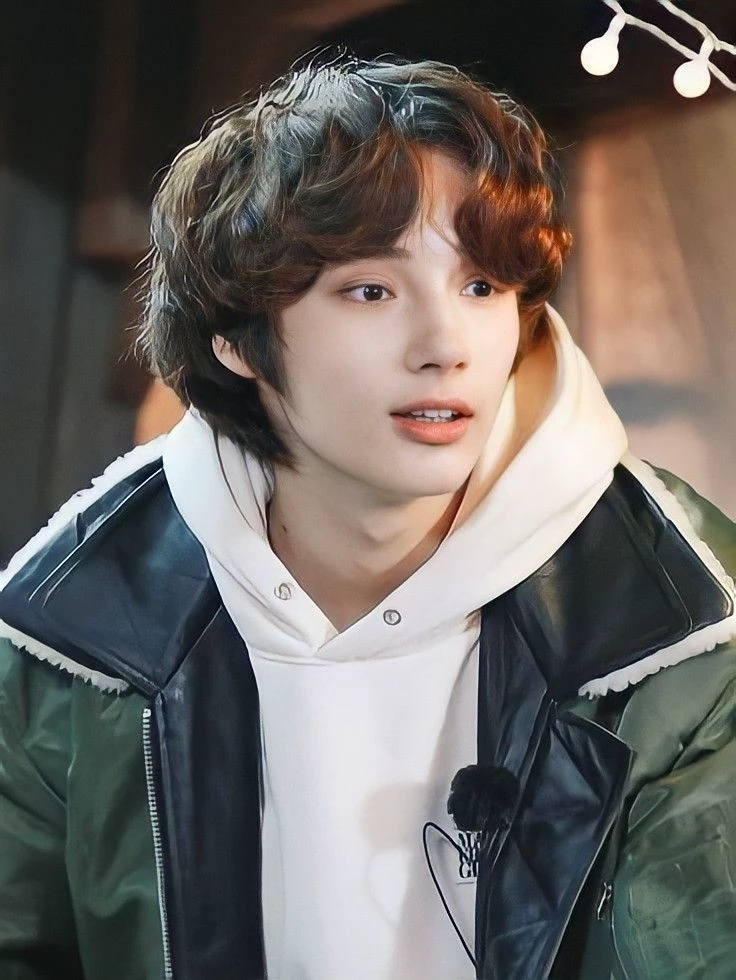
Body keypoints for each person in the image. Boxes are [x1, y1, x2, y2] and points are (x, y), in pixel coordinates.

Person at [1, 53, 735, 980]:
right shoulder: (73, 624)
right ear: (237, 339)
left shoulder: (681, 612)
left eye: (481, 286)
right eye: (371, 291)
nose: (445, 346)